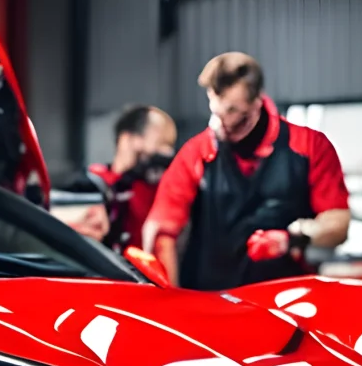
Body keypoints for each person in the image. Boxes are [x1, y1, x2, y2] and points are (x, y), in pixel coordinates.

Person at [142, 52, 350, 289]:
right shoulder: (197, 153)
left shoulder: (309, 146)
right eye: (216, 114)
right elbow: (161, 231)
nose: (222, 127)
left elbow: (338, 221)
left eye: (234, 115)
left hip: (287, 299)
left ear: (257, 103)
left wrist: (295, 237)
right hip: (210, 299)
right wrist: (171, 300)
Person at [88, 104, 178, 251]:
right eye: (160, 141)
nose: (165, 151)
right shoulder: (94, 181)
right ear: (127, 138)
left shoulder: (160, 188)